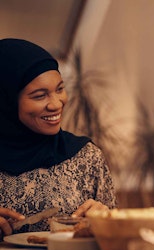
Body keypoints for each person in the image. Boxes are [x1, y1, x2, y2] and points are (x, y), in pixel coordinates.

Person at [0, 38, 116, 238]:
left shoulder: (86, 158)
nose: (56, 104)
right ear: (6, 101)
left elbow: (118, 238)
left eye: (60, 89)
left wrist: (106, 220)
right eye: (39, 95)